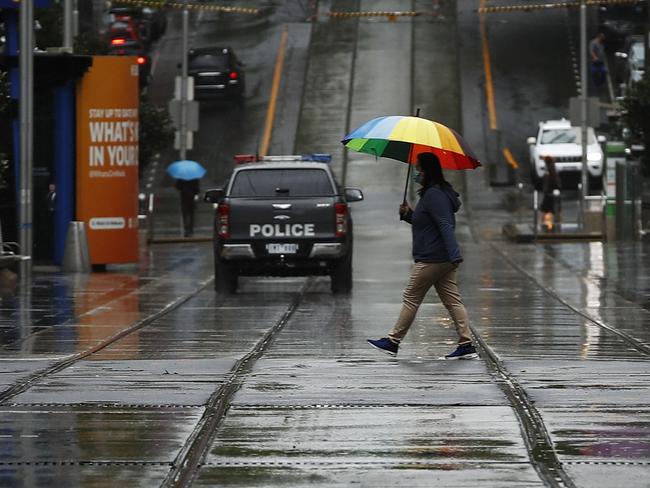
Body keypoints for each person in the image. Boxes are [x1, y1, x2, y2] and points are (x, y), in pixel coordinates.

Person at [367, 152, 477, 360]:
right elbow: (426, 224)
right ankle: (466, 344)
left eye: (419, 169)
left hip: (433, 258)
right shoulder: (434, 194)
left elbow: (445, 224)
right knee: (452, 301)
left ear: (427, 171)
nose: (417, 173)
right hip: (441, 257)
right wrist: (408, 214)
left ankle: (392, 341)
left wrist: (455, 254)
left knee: (411, 297)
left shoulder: (434, 195)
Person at [540, 156, 561, 231]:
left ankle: (547, 225)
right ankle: (555, 225)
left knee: (547, 209)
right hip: (553, 192)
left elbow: (547, 181)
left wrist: (545, 190)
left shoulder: (549, 170)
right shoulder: (552, 169)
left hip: (550, 192)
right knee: (555, 210)